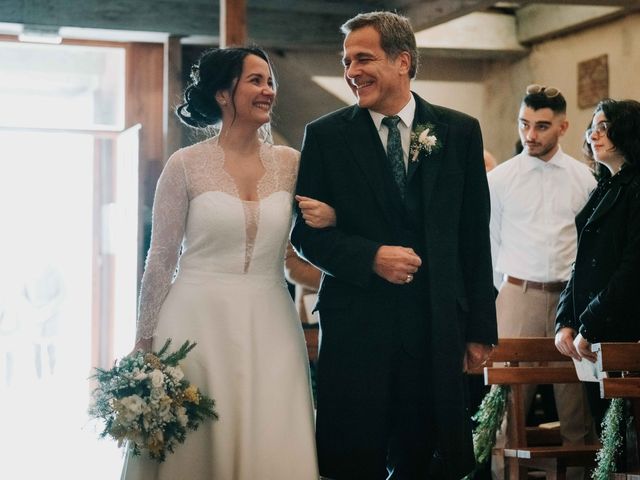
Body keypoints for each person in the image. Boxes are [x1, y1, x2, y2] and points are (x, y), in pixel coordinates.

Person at [290, 11, 497, 480]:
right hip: (357, 328)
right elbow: (305, 234)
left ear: (403, 61)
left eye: (364, 58)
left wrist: (480, 328)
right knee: (353, 461)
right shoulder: (325, 137)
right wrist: (371, 257)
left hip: (435, 327)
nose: (351, 71)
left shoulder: (458, 132)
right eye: (346, 61)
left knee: (426, 462)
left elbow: (473, 235)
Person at [121, 46, 334, 480]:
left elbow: (318, 230)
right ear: (223, 93)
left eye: (270, 81)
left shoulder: (292, 164)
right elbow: (160, 260)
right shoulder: (185, 166)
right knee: (199, 444)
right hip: (195, 324)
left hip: (270, 320)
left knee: (271, 433)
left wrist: (331, 216)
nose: (268, 91)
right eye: (256, 80)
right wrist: (144, 343)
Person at [488, 84, 597, 479]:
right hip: (518, 293)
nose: (530, 135)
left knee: (574, 406)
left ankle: (578, 475)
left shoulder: (585, 179)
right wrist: (501, 294)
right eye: (524, 124)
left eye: (542, 126)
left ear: (563, 126)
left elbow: (588, 246)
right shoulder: (500, 179)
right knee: (508, 402)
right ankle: (503, 474)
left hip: (570, 299)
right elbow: (490, 241)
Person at [555, 98, 640, 430]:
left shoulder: (636, 187)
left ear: (629, 131)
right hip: (597, 332)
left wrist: (590, 323)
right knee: (609, 441)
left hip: (623, 328)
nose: (593, 135)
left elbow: (632, 268)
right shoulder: (605, 186)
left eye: (604, 127)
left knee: (623, 441)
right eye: (592, 127)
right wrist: (565, 320)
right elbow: (581, 262)